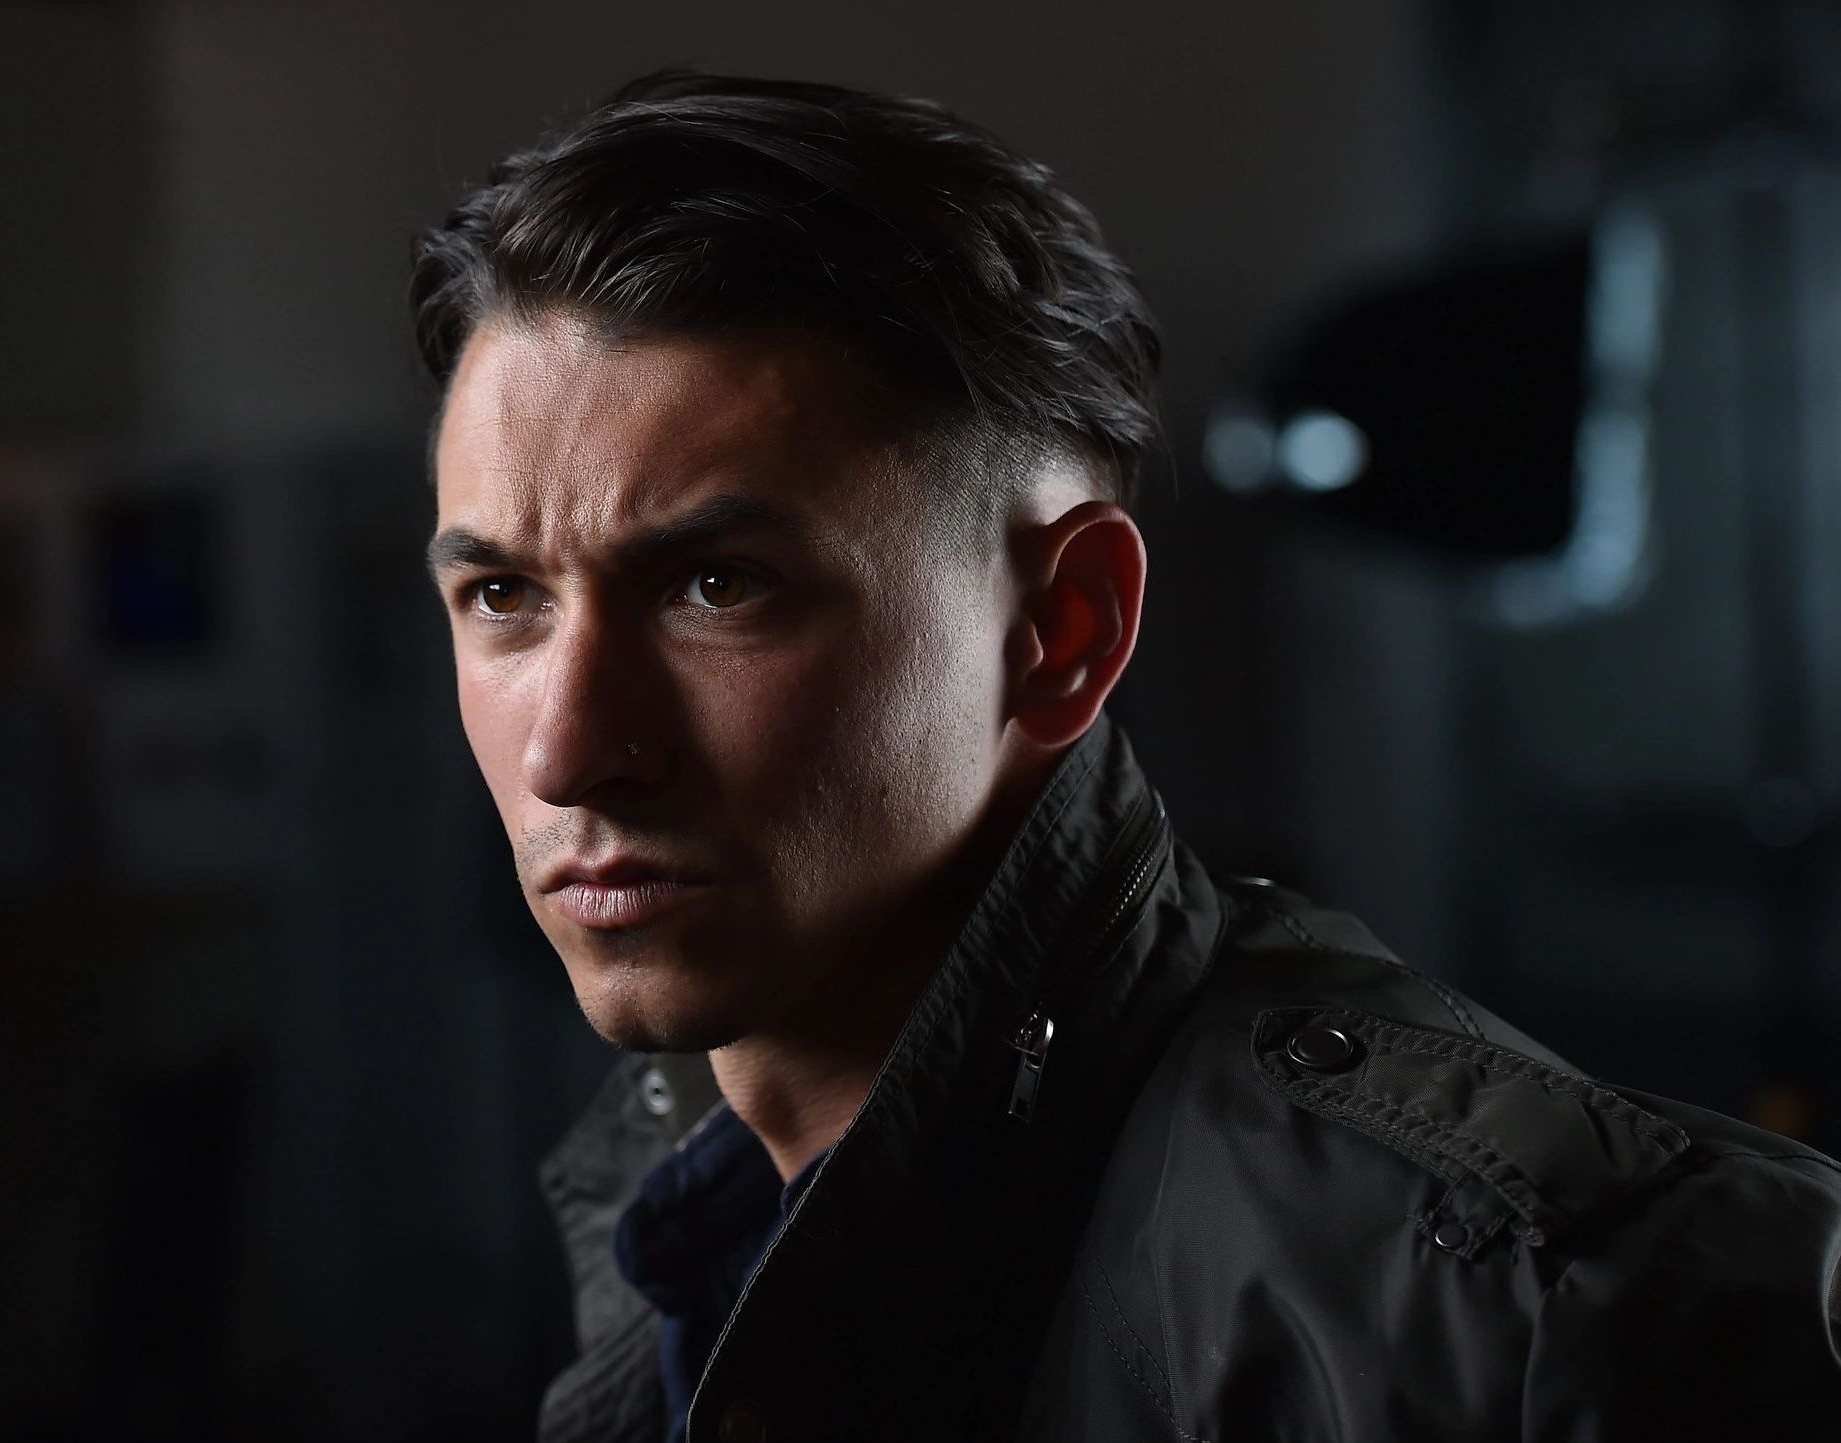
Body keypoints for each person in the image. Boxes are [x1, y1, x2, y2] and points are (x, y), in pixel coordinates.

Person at [411, 71, 1841, 1443]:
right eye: (502, 596)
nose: (568, 751)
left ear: (1063, 628)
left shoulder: (1535, 1313)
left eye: (718, 588)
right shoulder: (672, 1200)